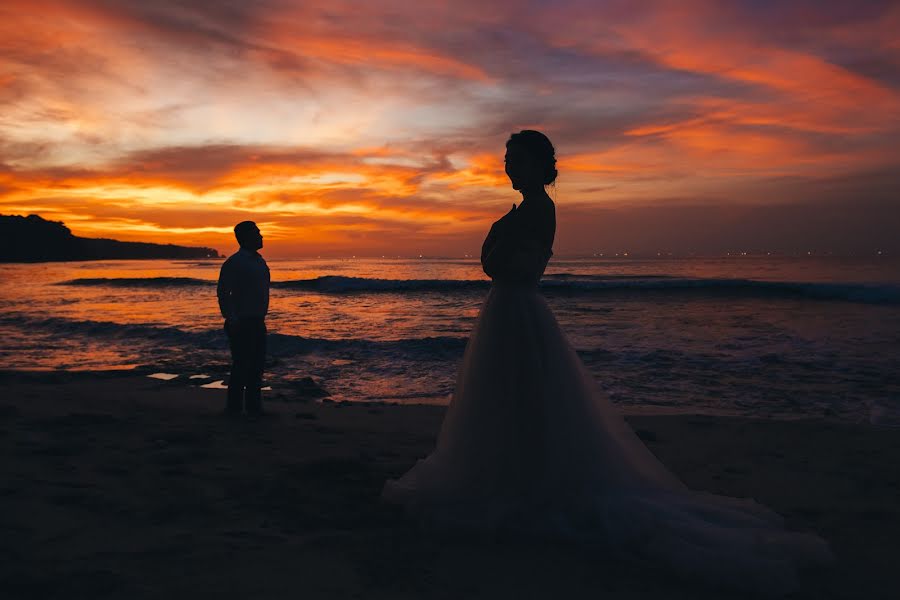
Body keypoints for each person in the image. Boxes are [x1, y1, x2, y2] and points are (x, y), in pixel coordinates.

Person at [383, 131, 832, 595]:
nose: (509, 168)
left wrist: (496, 243)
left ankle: (526, 482)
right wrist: (498, 243)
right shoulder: (523, 212)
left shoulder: (539, 209)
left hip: (517, 310)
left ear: (540, 165)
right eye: (507, 160)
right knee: (507, 400)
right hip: (508, 312)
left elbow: (512, 268)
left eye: (517, 160)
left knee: (525, 395)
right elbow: (495, 262)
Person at [217, 221, 270, 418]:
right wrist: (232, 319)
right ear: (245, 237)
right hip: (241, 321)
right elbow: (223, 293)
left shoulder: (259, 261)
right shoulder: (235, 262)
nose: (261, 236)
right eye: (257, 233)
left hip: (257, 320)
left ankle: (254, 408)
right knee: (241, 366)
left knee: (256, 366)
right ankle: (234, 409)